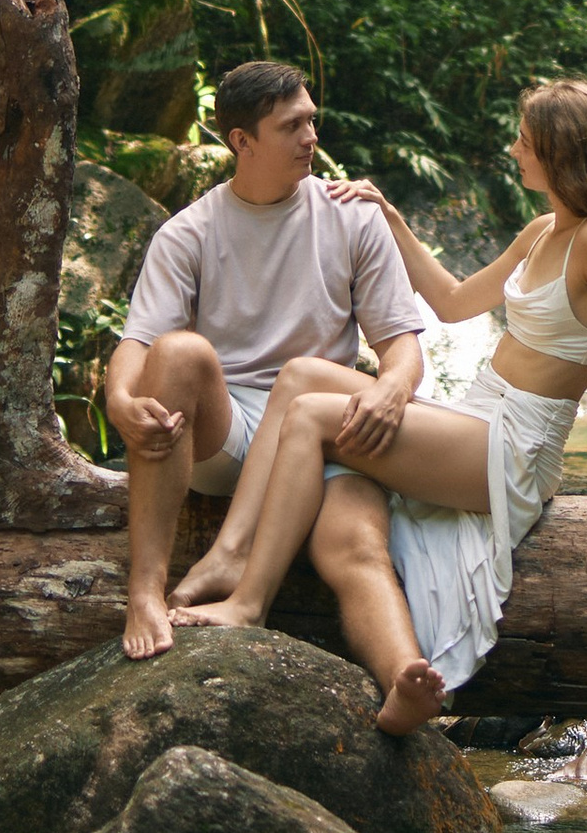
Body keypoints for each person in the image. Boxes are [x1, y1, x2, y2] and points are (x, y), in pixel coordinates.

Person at [171, 74, 587, 732]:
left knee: (313, 412)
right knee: (300, 379)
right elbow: (453, 303)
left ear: (561, 153)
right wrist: (390, 218)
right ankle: (246, 565)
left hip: (514, 446)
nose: (514, 150)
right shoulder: (543, 231)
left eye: (525, 141)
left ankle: (248, 601)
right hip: (474, 416)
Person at [103, 58, 424, 665]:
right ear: (241, 142)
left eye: (312, 121)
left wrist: (394, 389)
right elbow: (139, 342)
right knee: (179, 351)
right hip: (227, 435)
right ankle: (145, 593)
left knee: (355, 544)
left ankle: (410, 679)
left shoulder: (352, 215)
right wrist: (121, 400)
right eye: (292, 127)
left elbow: (402, 342)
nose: (312, 138)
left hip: (320, 432)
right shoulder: (187, 233)